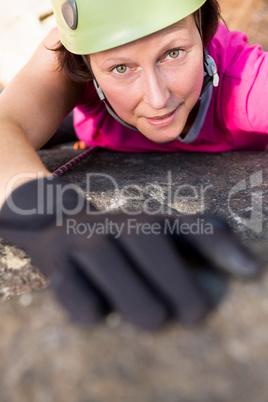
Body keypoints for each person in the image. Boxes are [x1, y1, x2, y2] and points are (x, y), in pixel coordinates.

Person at [0, 0, 263, 330]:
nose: (157, 98)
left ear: (204, 28)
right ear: (86, 64)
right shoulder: (71, 54)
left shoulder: (248, 85)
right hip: (92, 122)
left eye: (174, 52)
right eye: (120, 68)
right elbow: (5, 122)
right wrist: (50, 216)